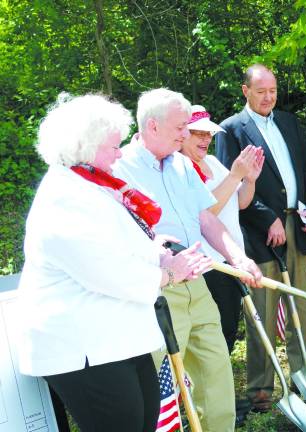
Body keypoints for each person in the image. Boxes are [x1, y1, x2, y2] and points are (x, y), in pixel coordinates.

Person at [17, 93, 210, 432]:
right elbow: (103, 270)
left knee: (146, 420)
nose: (120, 154)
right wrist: (166, 274)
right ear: (84, 147)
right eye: (113, 146)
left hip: (120, 337)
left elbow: (124, 242)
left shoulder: (94, 185)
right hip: (83, 347)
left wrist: (159, 253)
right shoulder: (65, 197)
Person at [112, 88, 263, 432]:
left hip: (199, 283)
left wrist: (238, 257)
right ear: (153, 126)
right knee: (157, 387)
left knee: (216, 372)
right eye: (181, 127)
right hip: (158, 291)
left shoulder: (181, 164)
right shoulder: (119, 168)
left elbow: (206, 219)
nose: (186, 133)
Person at [218, 64, 306, 412]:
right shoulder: (231, 130)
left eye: (273, 90)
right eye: (261, 91)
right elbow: (229, 187)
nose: (268, 97)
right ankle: (261, 387)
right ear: (245, 91)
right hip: (260, 234)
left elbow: (303, 170)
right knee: (262, 312)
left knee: (301, 308)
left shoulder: (289, 122)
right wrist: (267, 219)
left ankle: (302, 378)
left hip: (298, 226)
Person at [182, 104, 264, 353]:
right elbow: (205, 215)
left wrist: (249, 179)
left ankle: (221, 387)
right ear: (183, 133)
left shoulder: (214, 163)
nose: (206, 139)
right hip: (207, 263)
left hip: (231, 257)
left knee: (228, 326)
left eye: (209, 134)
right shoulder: (179, 168)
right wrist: (235, 176)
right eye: (199, 133)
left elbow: (240, 202)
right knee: (211, 331)